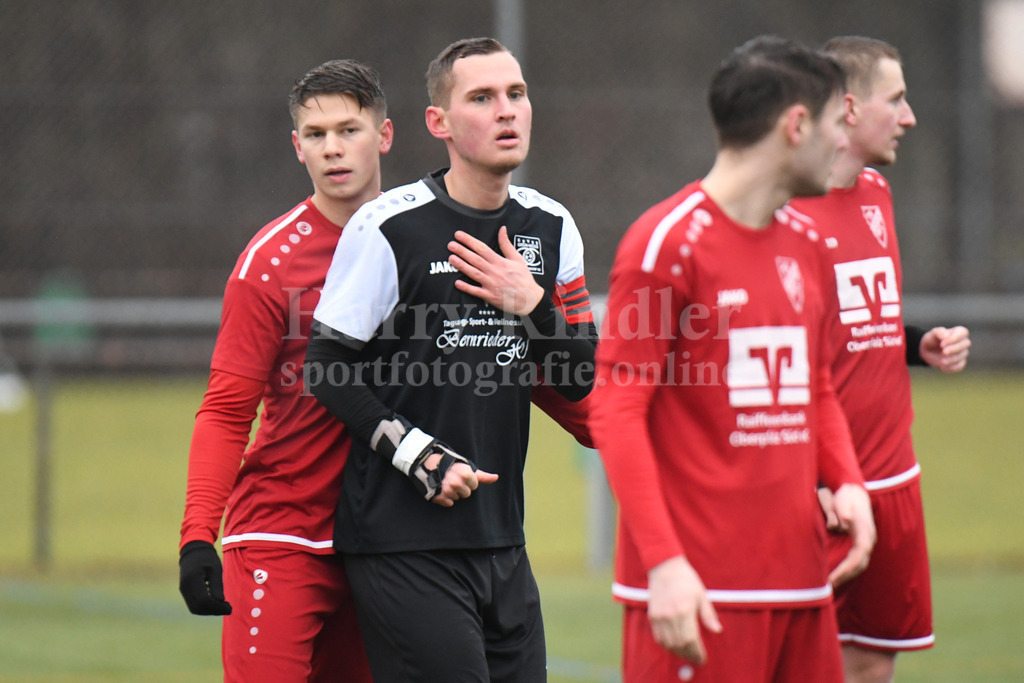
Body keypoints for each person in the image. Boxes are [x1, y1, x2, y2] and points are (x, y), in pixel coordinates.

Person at [305, 37, 597, 681]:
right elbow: (325, 365)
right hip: (402, 542)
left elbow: (581, 376)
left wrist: (533, 303)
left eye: (516, 94)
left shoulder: (551, 225)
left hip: (504, 542)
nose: (506, 112)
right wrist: (418, 455)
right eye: (482, 98)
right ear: (439, 123)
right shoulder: (388, 226)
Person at [588, 36, 877, 682]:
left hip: (804, 586)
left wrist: (848, 480)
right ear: (795, 126)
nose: (842, 142)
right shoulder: (663, 245)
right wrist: (663, 564)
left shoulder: (806, 242)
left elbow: (816, 383)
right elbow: (615, 409)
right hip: (696, 596)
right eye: (837, 123)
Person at [176, 59, 392, 682]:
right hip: (284, 534)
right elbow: (225, 411)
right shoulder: (269, 264)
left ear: (384, 135)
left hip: (389, 542)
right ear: (297, 148)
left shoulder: (424, 242)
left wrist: (597, 417)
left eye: (348, 130)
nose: (333, 149)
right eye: (316, 135)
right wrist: (197, 537)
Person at [785, 36, 971, 683]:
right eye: (896, 100)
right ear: (848, 107)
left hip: (894, 481)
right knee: (789, 661)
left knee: (870, 661)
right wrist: (820, 476)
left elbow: (859, 321)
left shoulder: (876, 193)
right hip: (821, 494)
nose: (910, 116)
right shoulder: (782, 212)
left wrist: (915, 340)